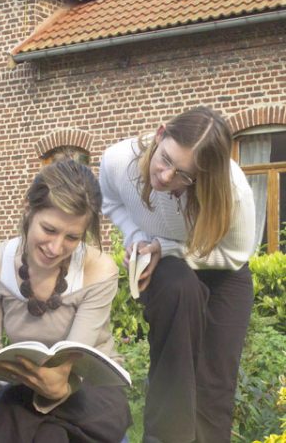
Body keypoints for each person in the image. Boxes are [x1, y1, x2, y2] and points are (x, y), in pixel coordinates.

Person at [99, 106, 256, 443]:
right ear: (160, 134)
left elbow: (234, 255)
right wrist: (138, 239)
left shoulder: (234, 190)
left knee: (214, 385)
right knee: (176, 362)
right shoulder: (117, 161)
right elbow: (110, 201)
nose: (167, 177)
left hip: (223, 270)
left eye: (184, 175)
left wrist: (168, 248)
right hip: (171, 270)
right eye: (166, 159)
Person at [0, 158, 132, 443]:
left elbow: (70, 362)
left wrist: (52, 386)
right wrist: (13, 374)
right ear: (29, 211)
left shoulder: (98, 270)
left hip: (93, 393)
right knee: (44, 430)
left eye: (72, 237)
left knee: (15, 411)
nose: (56, 247)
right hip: (27, 390)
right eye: (49, 229)